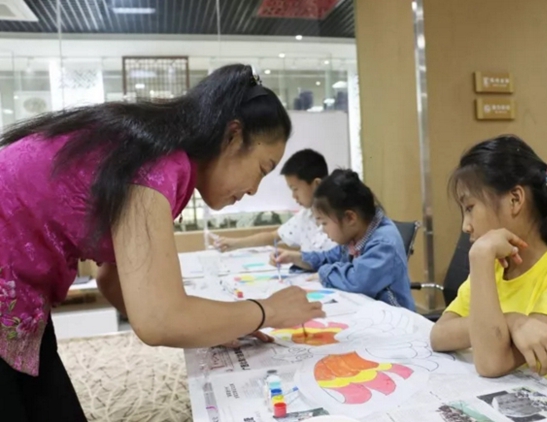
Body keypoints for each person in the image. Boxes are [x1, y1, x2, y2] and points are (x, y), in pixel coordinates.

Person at [0, 64, 324, 420]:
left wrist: (213, 326)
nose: (253, 189)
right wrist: (268, 311)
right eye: (262, 169)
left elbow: (113, 279)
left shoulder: (157, 151)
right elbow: (159, 318)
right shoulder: (158, 164)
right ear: (232, 136)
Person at [429, 135, 547, 404]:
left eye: (470, 208)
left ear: (515, 199)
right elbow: (439, 335)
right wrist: (512, 321)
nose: (466, 225)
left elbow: (492, 362)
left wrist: (481, 255)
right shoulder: (495, 271)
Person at [271, 169, 415, 311]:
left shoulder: (384, 243)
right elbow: (330, 257)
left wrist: (324, 273)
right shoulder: (356, 235)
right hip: (368, 313)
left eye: (324, 223)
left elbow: (358, 281)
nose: (322, 229)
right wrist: (295, 257)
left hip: (394, 322)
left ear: (350, 218)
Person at [215, 149, 336, 253]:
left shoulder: (339, 220)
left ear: (316, 185)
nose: (294, 196)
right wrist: (235, 243)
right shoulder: (305, 216)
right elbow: (272, 236)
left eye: (295, 189)